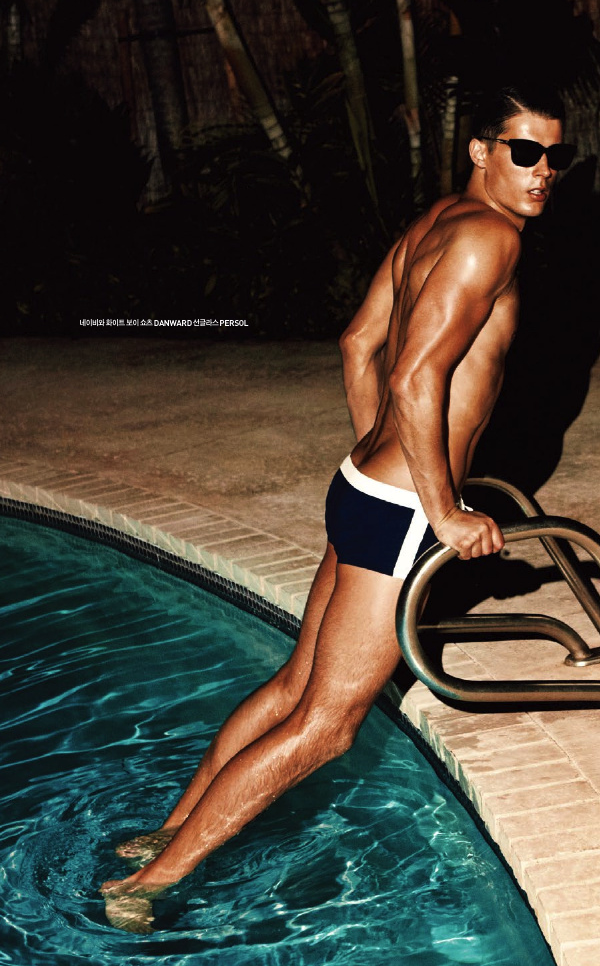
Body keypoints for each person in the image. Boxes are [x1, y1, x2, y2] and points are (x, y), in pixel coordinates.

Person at [100, 83, 574, 933]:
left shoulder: (436, 222)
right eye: (525, 151)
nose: (543, 171)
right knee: (328, 724)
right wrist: (441, 507)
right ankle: (148, 884)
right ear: (482, 150)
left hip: (363, 483)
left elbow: (359, 342)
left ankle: (165, 833)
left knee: (295, 683)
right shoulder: (492, 238)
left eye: (555, 155)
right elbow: (414, 376)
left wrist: (379, 456)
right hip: (400, 503)